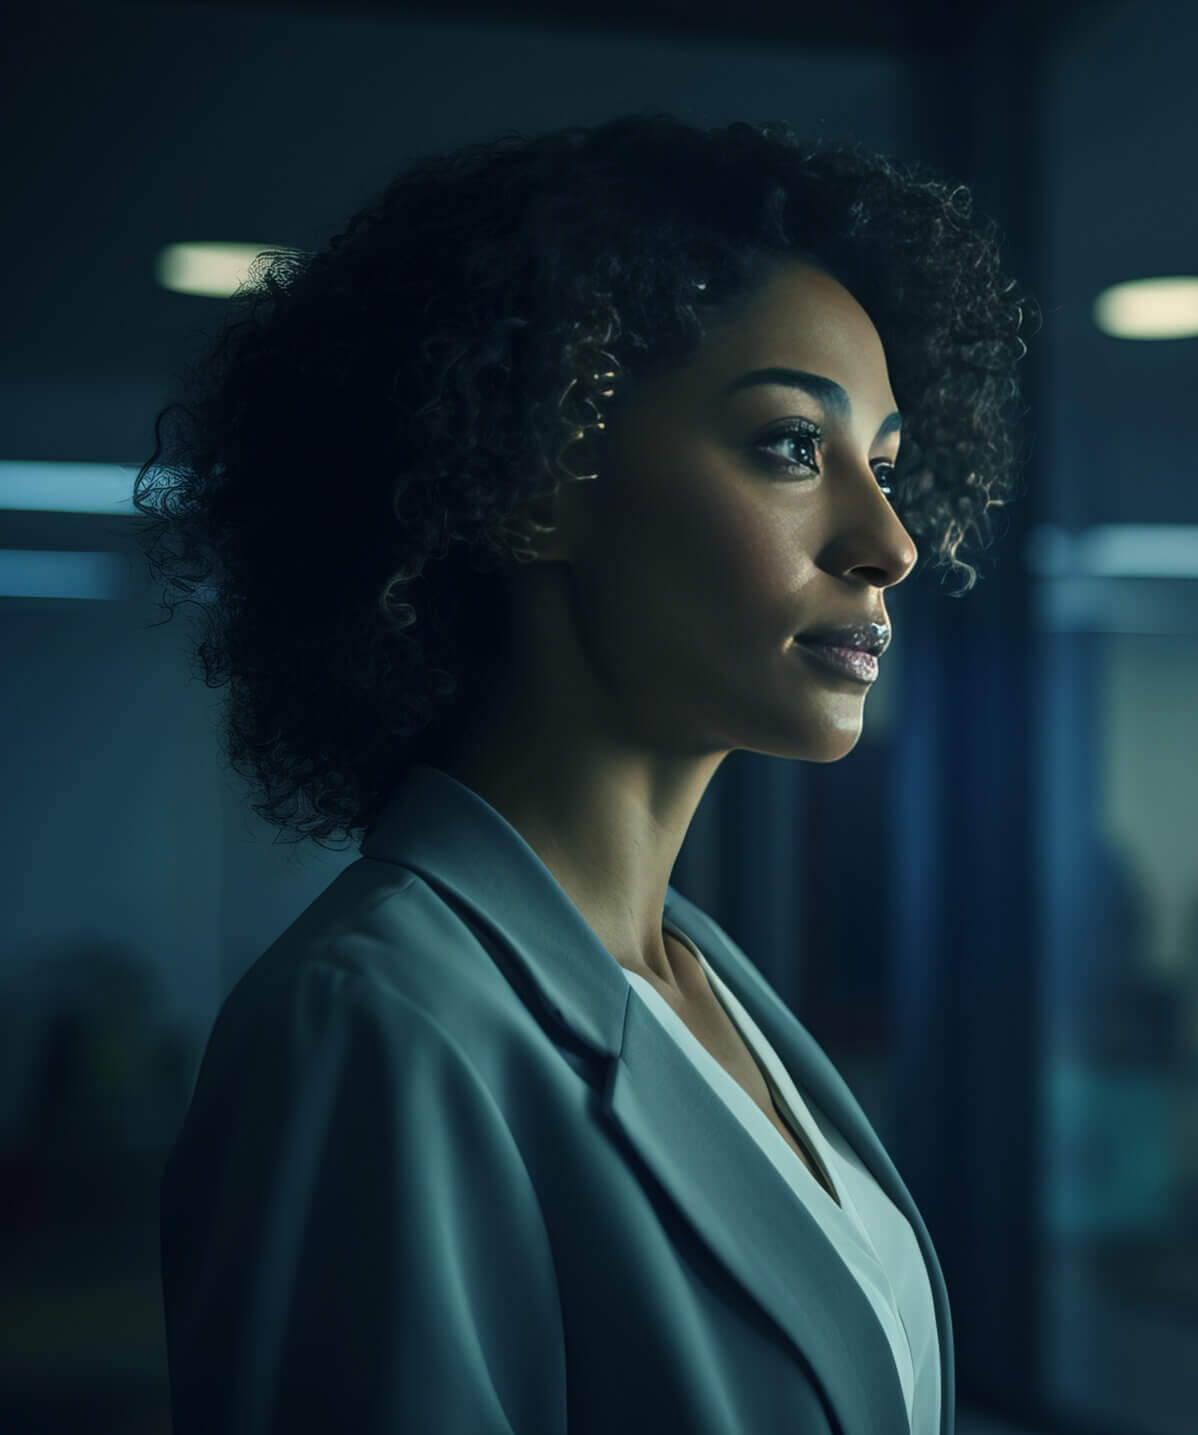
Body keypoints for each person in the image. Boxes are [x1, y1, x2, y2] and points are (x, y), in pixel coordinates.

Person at [139, 114, 1017, 1434]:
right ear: (534, 483)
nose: (889, 541)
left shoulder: (700, 979)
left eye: (886, 468)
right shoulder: (375, 1023)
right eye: (793, 446)